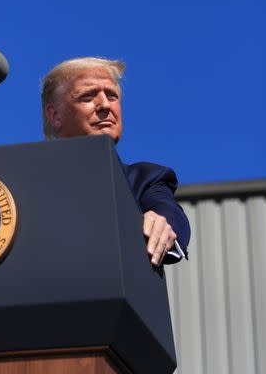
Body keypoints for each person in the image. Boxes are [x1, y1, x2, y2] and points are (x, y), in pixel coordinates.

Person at [40, 57, 190, 265]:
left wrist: (163, 223)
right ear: (55, 115)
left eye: (112, 96)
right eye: (87, 96)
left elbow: (167, 211)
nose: (105, 105)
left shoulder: (144, 179)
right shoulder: (25, 181)